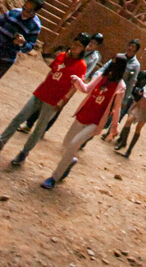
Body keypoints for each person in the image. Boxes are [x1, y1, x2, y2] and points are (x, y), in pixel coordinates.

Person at [0, 33, 89, 166]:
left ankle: (24, 153)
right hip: (41, 93)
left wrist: (63, 100)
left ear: (83, 49)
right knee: (19, 117)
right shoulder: (61, 56)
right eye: (75, 44)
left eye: (79, 46)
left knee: (38, 129)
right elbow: (52, 71)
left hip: (54, 100)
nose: (76, 47)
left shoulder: (81, 65)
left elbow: (75, 86)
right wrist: (43, 84)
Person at [41, 53, 127, 189]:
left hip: (95, 122)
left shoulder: (120, 87)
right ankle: (70, 161)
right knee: (66, 144)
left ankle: (54, 177)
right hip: (83, 115)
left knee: (74, 144)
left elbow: (117, 108)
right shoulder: (102, 77)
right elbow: (86, 89)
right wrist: (77, 81)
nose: (112, 64)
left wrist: (114, 128)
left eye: (115, 63)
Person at [18, 31, 105, 135]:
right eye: (92, 41)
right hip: (60, 77)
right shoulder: (79, 46)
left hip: (72, 83)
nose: (91, 44)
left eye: (95, 43)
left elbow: (86, 73)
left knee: (58, 107)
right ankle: (29, 124)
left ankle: (43, 129)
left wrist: (76, 84)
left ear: (97, 46)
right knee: (43, 100)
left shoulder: (94, 57)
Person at [0, 0, 43, 92]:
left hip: (5, 61)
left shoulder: (35, 26)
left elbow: (29, 47)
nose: (24, 11)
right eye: (24, 7)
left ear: (35, 12)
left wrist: (22, 43)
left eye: (29, 11)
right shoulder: (14, 12)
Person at [98, 39, 141, 136]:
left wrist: (125, 100)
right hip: (108, 88)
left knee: (108, 116)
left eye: (133, 47)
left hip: (119, 93)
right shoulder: (119, 56)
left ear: (136, 50)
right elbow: (106, 67)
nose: (130, 48)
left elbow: (131, 83)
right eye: (129, 45)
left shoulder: (136, 65)